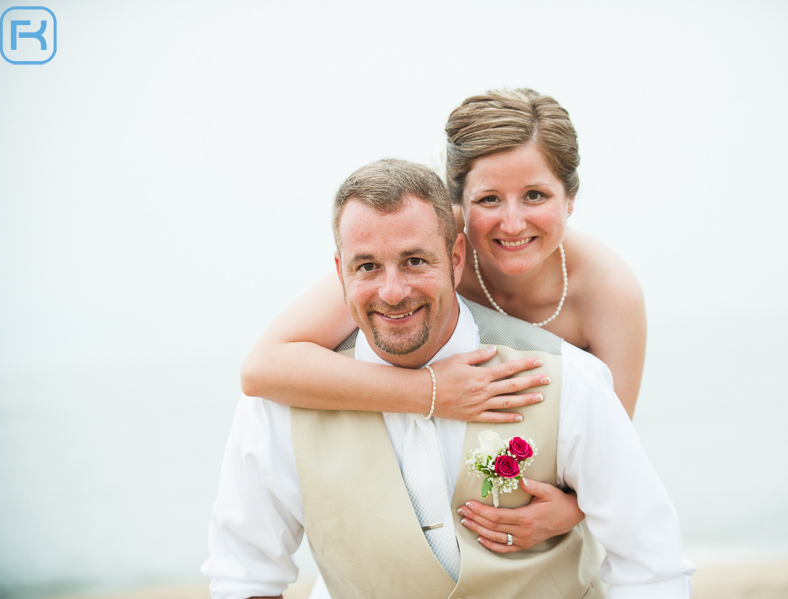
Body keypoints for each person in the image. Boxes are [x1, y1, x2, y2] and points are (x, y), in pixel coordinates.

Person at [203, 159, 694, 598]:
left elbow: (652, 567)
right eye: (367, 267)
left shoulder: (570, 381)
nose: (392, 292)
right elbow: (244, 576)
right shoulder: (279, 406)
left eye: (416, 261)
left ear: (457, 258)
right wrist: (429, 393)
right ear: (340, 272)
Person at [240, 89, 647, 550]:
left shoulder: (609, 293)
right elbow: (263, 368)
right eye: (489, 199)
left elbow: (613, 455)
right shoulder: (420, 256)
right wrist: (432, 393)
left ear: (570, 197)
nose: (512, 223)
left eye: (535, 195)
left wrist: (568, 513)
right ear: (458, 205)